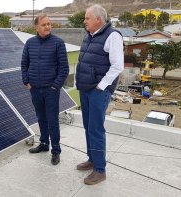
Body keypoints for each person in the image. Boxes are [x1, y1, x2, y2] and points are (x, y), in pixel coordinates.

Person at [75, 4, 124, 185]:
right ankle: (92, 159)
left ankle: (100, 170)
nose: (84, 21)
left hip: (98, 91)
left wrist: (101, 86)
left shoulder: (112, 36)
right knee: (88, 127)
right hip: (86, 88)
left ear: (98, 19)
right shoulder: (90, 36)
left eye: (87, 18)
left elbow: (117, 66)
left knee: (96, 129)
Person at [21, 14, 69, 165]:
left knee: (52, 120)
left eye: (49, 24)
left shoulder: (58, 43)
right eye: (44, 24)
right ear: (36, 27)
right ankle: (43, 144)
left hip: (51, 90)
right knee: (41, 117)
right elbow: (24, 64)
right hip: (35, 89)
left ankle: (56, 150)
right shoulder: (29, 43)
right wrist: (26, 81)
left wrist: (55, 86)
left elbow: (64, 69)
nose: (48, 27)